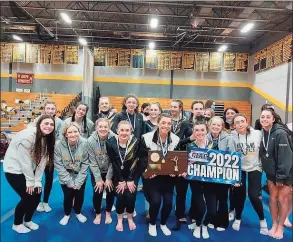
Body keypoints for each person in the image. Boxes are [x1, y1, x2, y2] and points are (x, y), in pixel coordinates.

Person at [3, 115, 55, 233]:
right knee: (28, 196)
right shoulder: (28, 136)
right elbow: (24, 161)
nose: (49, 126)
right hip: (14, 170)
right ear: (39, 124)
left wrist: (37, 181)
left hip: (28, 169)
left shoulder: (46, 137)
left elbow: (42, 161)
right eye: (46, 123)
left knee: (37, 194)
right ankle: (17, 224)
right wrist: (30, 182)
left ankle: (28, 220)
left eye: (51, 124)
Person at [140, 113, 185, 237]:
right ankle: (153, 223)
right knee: (155, 202)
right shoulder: (146, 137)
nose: (166, 125)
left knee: (168, 202)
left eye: (169, 123)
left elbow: (177, 158)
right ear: (158, 123)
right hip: (153, 176)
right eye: (163, 123)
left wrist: (175, 171)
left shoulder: (175, 139)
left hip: (167, 177)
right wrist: (149, 171)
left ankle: (163, 223)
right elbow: (143, 158)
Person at [231, 113, 268, 235]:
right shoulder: (232, 136)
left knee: (253, 195)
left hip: (255, 167)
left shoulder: (257, 133)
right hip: (240, 168)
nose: (240, 124)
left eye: (242, 121)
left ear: (247, 122)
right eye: (237, 122)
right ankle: (238, 217)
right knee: (239, 194)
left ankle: (262, 220)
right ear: (234, 125)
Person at [259, 108, 292, 240]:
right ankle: (274, 224)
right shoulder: (263, 132)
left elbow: (286, 157)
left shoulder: (280, 133)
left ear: (273, 119)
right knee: (273, 199)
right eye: (262, 117)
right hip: (271, 173)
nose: (264, 119)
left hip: (286, 173)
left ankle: (281, 227)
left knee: (282, 199)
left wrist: (281, 176)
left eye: (268, 117)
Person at [106, 120, 140, 232]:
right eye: (122, 130)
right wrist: (121, 180)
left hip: (132, 174)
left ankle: (130, 218)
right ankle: (120, 219)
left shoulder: (136, 141)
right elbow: (114, 162)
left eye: (127, 130)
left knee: (131, 196)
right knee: (120, 196)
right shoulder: (110, 142)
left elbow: (135, 161)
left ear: (131, 131)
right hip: (118, 175)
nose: (124, 133)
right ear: (117, 131)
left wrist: (130, 179)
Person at [54, 122, 89, 226]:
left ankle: (78, 212)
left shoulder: (85, 143)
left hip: (80, 175)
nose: (73, 134)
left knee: (79, 196)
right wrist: (68, 181)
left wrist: (78, 182)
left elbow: (86, 163)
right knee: (68, 196)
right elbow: (58, 164)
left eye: (75, 131)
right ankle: (67, 214)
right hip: (65, 175)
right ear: (65, 134)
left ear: (79, 132)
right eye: (70, 132)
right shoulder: (58, 145)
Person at [31, 101, 63, 213]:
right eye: (48, 108)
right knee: (36, 178)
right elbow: (32, 133)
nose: (50, 111)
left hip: (50, 154)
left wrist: (52, 152)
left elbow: (60, 138)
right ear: (44, 109)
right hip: (38, 154)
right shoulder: (37, 120)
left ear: (56, 110)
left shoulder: (59, 122)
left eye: (52, 109)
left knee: (48, 179)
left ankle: (45, 201)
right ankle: (37, 201)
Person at [187, 117, 216, 239]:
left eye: (202, 130)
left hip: (210, 180)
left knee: (212, 210)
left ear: (206, 130)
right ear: (193, 131)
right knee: (201, 207)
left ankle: (205, 225)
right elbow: (185, 164)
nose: (199, 133)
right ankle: (198, 224)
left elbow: (218, 162)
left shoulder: (213, 145)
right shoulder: (189, 146)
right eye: (197, 130)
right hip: (196, 181)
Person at [207, 116, 237, 231]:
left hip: (224, 174)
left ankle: (223, 222)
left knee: (222, 198)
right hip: (208, 174)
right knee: (211, 198)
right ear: (209, 125)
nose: (215, 127)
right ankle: (212, 219)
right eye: (213, 124)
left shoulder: (229, 138)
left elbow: (233, 156)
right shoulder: (205, 137)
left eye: (218, 125)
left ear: (222, 127)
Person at [169, 99, 192, 230]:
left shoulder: (186, 123)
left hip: (182, 158)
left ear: (180, 108)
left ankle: (180, 213)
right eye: (171, 106)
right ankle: (164, 211)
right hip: (167, 158)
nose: (172, 109)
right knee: (166, 189)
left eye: (175, 107)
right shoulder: (165, 120)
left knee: (181, 189)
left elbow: (190, 141)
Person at [87, 118, 115, 225]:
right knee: (97, 191)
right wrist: (98, 179)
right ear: (96, 128)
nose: (103, 129)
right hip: (96, 170)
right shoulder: (90, 140)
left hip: (110, 170)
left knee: (110, 191)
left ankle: (108, 212)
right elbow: (92, 161)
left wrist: (108, 178)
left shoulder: (113, 139)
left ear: (109, 128)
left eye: (105, 127)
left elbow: (113, 161)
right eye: (100, 127)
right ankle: (98, 213)